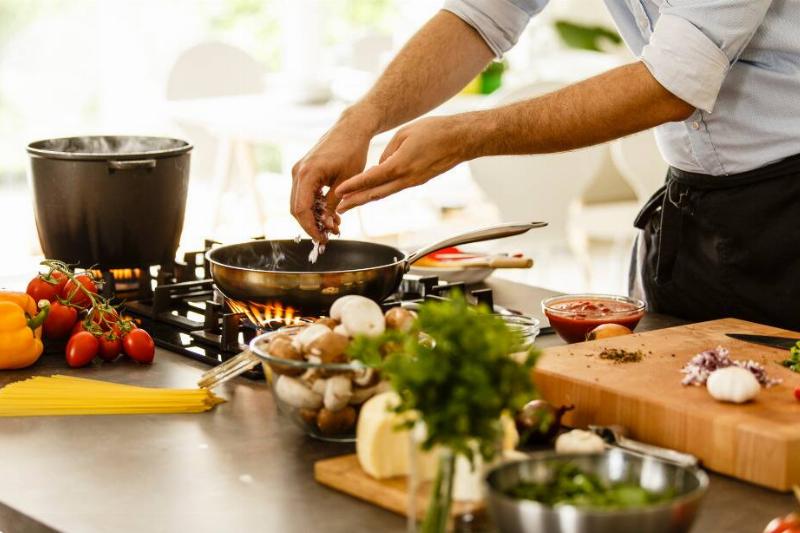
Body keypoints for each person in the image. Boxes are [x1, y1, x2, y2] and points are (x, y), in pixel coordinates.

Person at [290, 1, 800, 329]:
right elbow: (483, 13)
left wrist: (467, 135)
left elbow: (671, 84)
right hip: (690, 213)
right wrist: (361, 118)